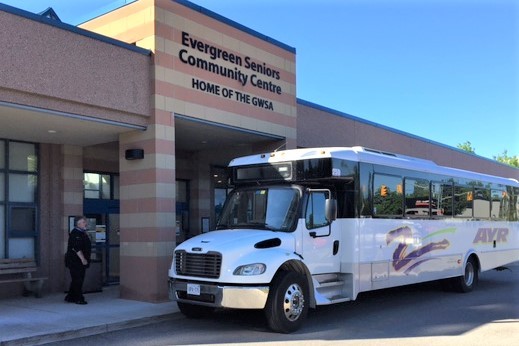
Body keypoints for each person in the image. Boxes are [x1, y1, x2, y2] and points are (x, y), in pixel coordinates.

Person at [64, 215, 91, 305]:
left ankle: (70, 297)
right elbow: (76, 248)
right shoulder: (75, 233)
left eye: (85, 222)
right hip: (75, 261)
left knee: (77, 279)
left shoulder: (83, 233)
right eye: (83, 222)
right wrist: (83, 259)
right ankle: (79, 298)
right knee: (78, 279)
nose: (85, 223)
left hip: (79, 261)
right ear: (78, 223)